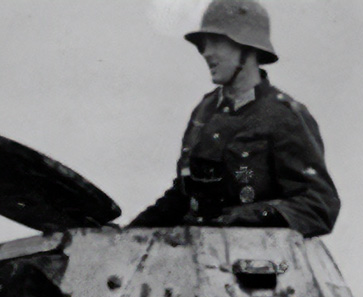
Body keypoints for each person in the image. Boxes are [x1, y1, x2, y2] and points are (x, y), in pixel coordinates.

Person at [127, 0, 340, 237]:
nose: (207, 53)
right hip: (197, 257)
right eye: (204, 45)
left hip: (258, 264)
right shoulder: (205, 110)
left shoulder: (285, 116)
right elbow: (183, 195)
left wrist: (239, 219)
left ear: (248, 48)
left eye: (217, 42)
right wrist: (128, 234)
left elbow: (318, 206)